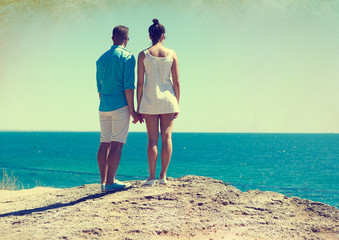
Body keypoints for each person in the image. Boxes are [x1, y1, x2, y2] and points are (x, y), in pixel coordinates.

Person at [96, 25, 142, 192]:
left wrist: (105, 103)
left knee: (104, 143)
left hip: (104, 106)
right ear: (126, 40)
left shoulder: (101, 59)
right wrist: (133, 111)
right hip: (120, 106)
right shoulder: (127, 57)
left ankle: (103, 182)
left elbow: (99, 89)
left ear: (112, 38)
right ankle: (110, 182)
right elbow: (128, 87)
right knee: (117, 144)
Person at [137, 19, 180, 185]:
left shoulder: (143, 54)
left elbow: (140, 83)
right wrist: (178, 103)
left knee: (152, 140)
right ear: (163, 36)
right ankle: (163, 176)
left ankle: (151, 177)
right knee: (167, 138)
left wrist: (138, 104)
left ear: (150, 36)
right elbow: (176, 82)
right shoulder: (172, 54)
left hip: (149, 100)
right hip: (168, 99)